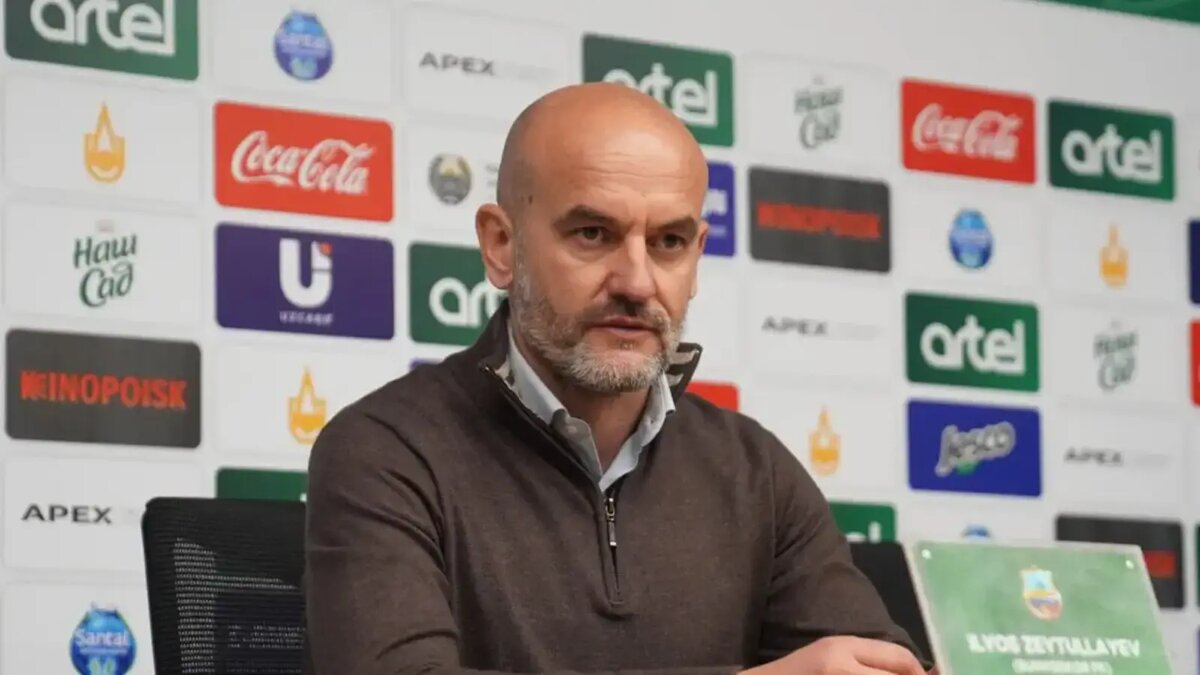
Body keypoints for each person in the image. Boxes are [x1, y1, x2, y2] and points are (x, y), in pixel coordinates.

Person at [304, 82, 935, 675]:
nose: (636, 281)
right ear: (501, 245)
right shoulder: (385, 450)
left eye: (669, 242)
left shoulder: (755, 470)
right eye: (593, 233)